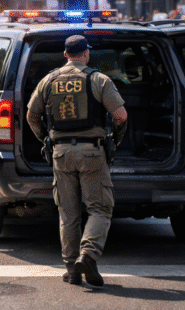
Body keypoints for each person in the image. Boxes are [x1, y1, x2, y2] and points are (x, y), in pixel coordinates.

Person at [26, 34, 128, 288]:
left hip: (60, 154)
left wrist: (45, 140)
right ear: (86, 54)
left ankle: (72, 269)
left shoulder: (48, 80)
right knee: (100, 208)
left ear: (65, 55)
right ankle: (89, 255)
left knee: (68, 213)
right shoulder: (98, 79)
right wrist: (114, 140)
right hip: (92, 153)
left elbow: (31, 116)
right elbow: (121, 115)